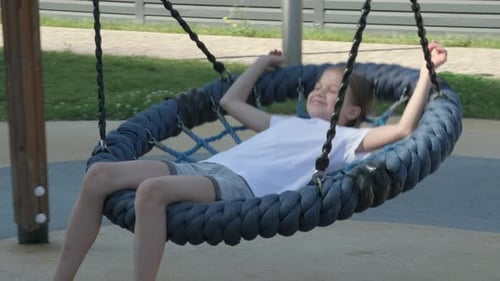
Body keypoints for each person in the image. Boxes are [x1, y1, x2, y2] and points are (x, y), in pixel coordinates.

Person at [53, 41, 447, 281]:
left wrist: (426, 74)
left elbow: (402, 131)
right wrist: (262, 62)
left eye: (333, 93)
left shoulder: (346, 140)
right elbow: (230, 102)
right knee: (100, 174)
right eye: (318, 88)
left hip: (241, 188)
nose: (320, 93)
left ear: (352, 112)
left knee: (152, 192)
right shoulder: (283, 123)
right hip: (206, 169)